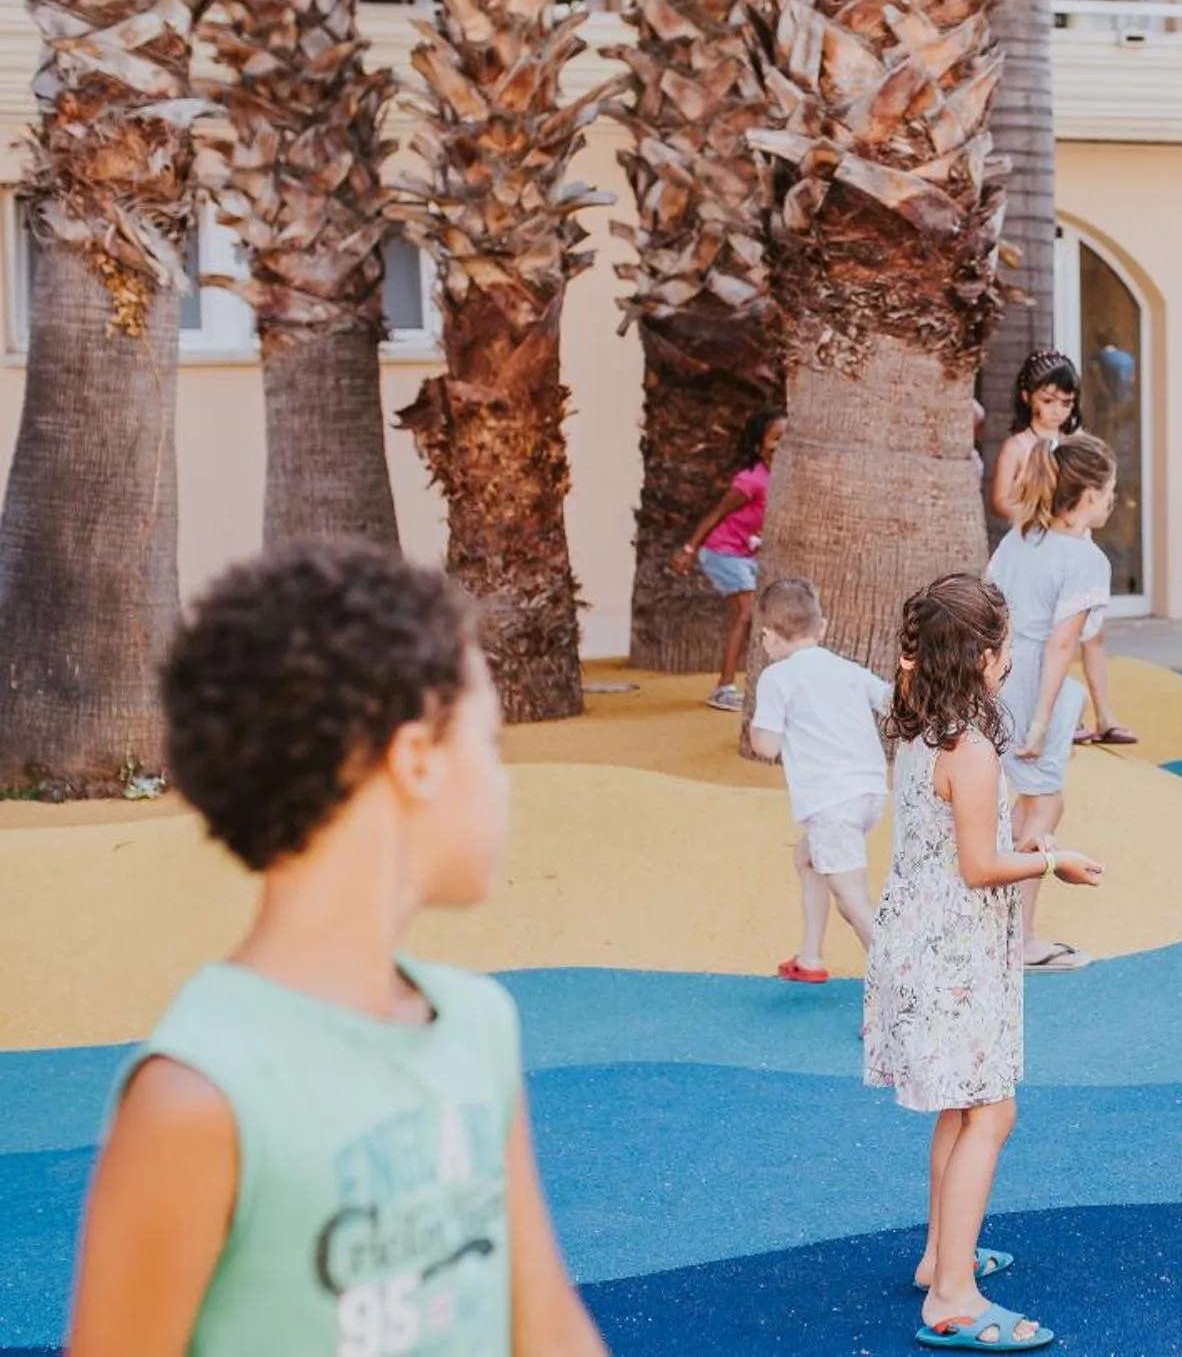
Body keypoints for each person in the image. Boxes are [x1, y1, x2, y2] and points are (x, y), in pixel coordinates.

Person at [65, 542, 605, 1356]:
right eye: (490, 745)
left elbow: (550, 1329)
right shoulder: (198, 1099)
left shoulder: (478, 1025)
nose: (501, 783)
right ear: (415, 759)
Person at [865, 572, 1106, 1350]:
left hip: (926, 938)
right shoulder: (969, 750)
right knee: (992, 1111)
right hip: (953, 949)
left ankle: (942, 1254)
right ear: (983, 658)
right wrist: (1051, 860)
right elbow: (977, 865)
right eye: (1004, 647)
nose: (1011, 659)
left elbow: (958, 844)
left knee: (961, 1105)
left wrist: (1020, 844)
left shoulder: (922, 729)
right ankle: (952, 1297)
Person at [989, 433, 1118, 972]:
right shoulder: (1085, 559)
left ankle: (1001, 931)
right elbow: (1062, 644)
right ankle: (1017, 940)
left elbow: (991, 605)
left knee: (1025, 806)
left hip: (995, 675)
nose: (1113, 501)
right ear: (1087, 496)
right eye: (1109, 492)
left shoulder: (1021, 537)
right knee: (1043, 807)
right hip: (1034, 685)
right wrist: (1041, 721)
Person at [749, 577, 893, 985]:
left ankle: (903, 984)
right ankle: (810, 956)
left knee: (852, 900)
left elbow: (766, 746)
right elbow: (889, 700)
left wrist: (762, 729)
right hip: (869, 792)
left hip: (832, 801)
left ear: (768, 635)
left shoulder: (777, 678)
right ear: (822, 627)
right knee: (808, 858)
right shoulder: (845, 669)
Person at [989, 352, 1132, 748]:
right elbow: (1000, 499)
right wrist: (1038, 510)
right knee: (1046, 633)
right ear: (1027, 396)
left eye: (1065, 402)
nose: (1057, 410)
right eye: (1048, 400)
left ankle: (1104, 714)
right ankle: (1057, 714)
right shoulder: (1019, 445)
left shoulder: (1074, 443)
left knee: (1089, 634)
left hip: (1070, 541)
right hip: (1039, 541)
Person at [673, 408, 786, 712]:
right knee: (747, 615)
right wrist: (689, 548)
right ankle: (723, 687)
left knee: (756, 615)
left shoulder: (780, 480)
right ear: (759, 445)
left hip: (744, 555)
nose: (782, 445)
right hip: (723, 553)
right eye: (776, 438)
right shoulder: (751, 480)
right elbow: (716, 514)